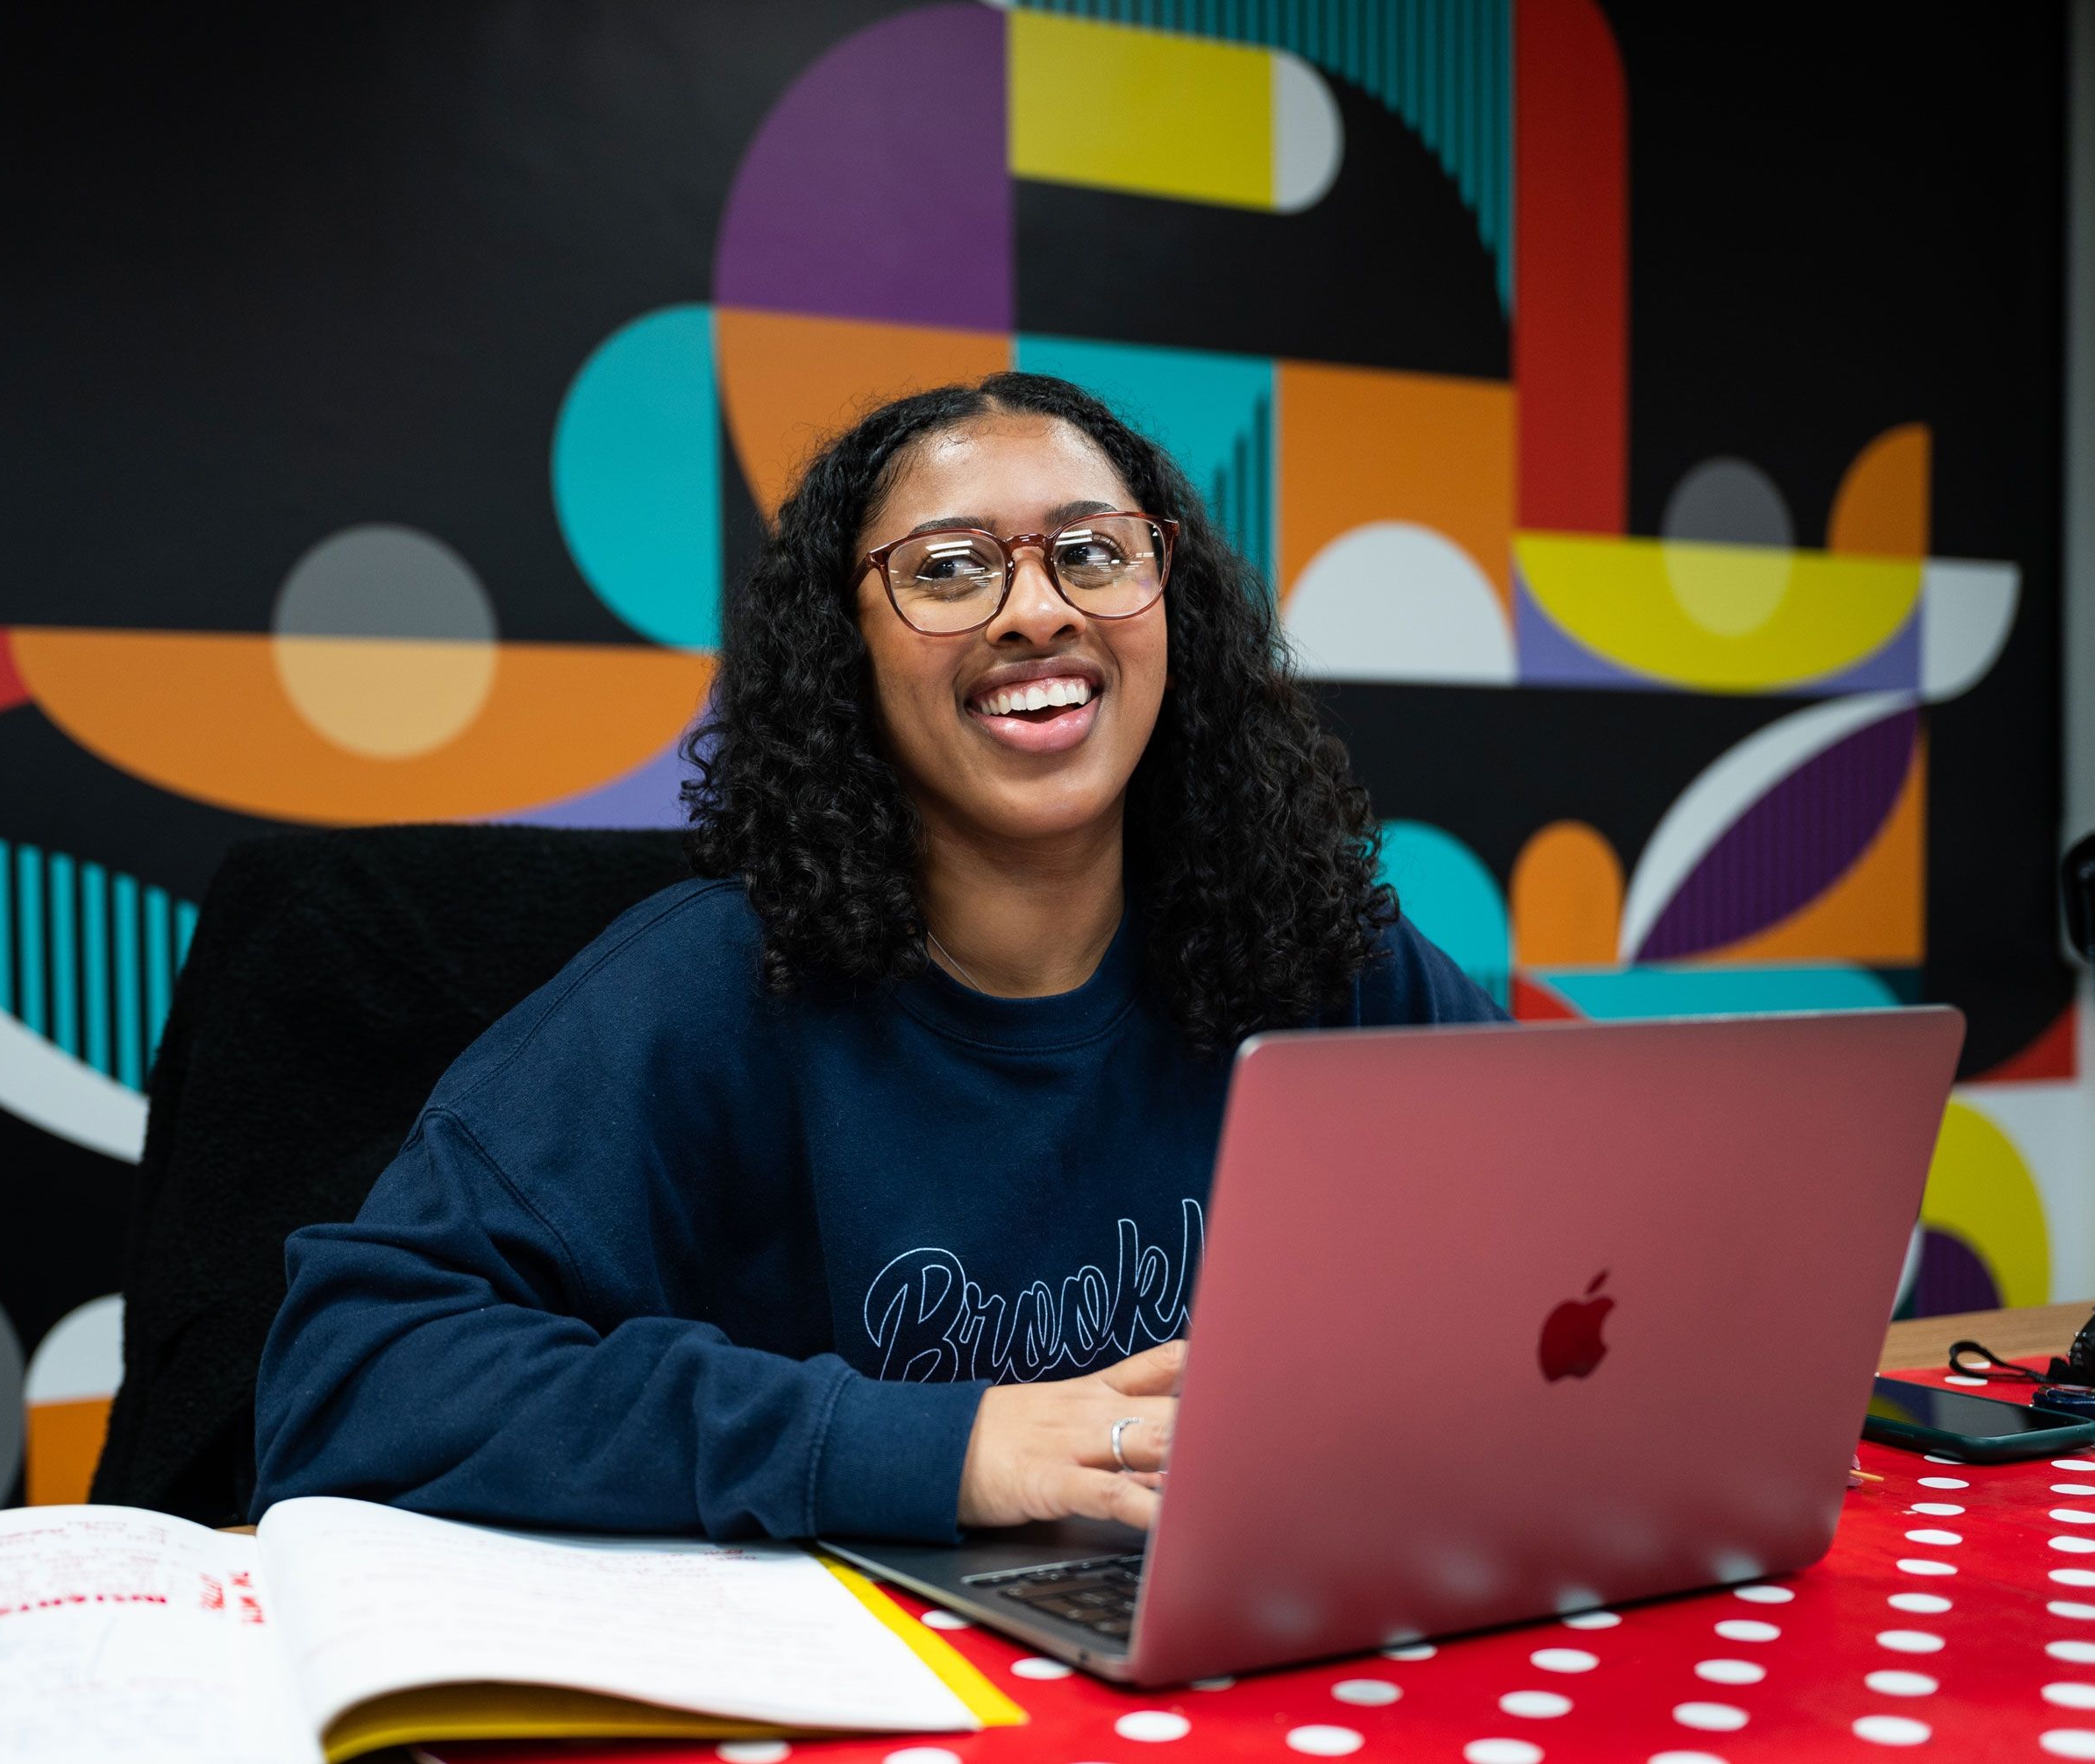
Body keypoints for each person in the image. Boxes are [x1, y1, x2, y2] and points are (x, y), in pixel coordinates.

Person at [253, 373, 1504, 1544]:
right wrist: (928, 1445)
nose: (1039, 610)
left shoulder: (1325, 956)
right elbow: (354, 1375)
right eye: (950, 571)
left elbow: (1572, 1255)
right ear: (845, 651)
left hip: (1248, 1623)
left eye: (1092, 553)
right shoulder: (702, 996)